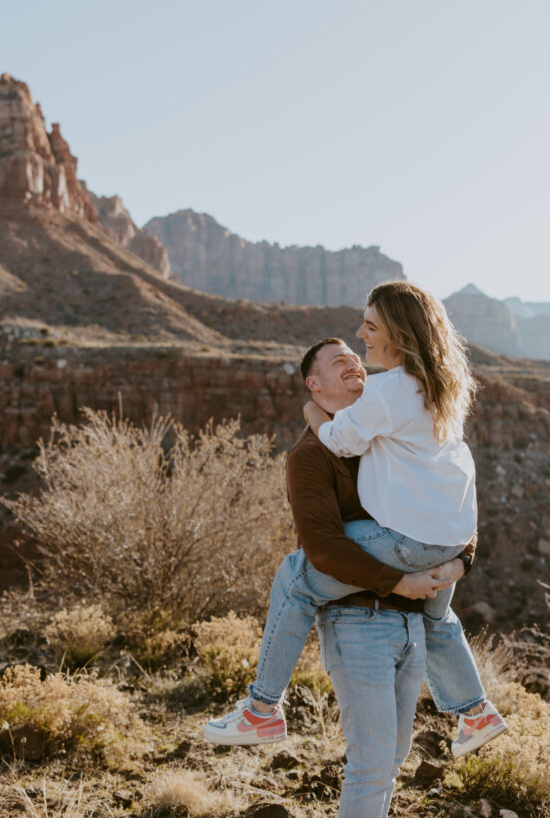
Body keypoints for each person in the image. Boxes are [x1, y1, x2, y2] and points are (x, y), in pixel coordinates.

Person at [204, 283, 505, 759]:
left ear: (398, 333)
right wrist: (462, 558)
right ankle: (476, 711)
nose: (361, 335)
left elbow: (340, 442)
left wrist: (310, 409)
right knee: (438, 617)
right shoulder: (440, 389)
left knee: (294, 576)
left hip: (409, 542)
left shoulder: (384, 392)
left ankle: (261, 710)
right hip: (450, 537)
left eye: (370, 326)